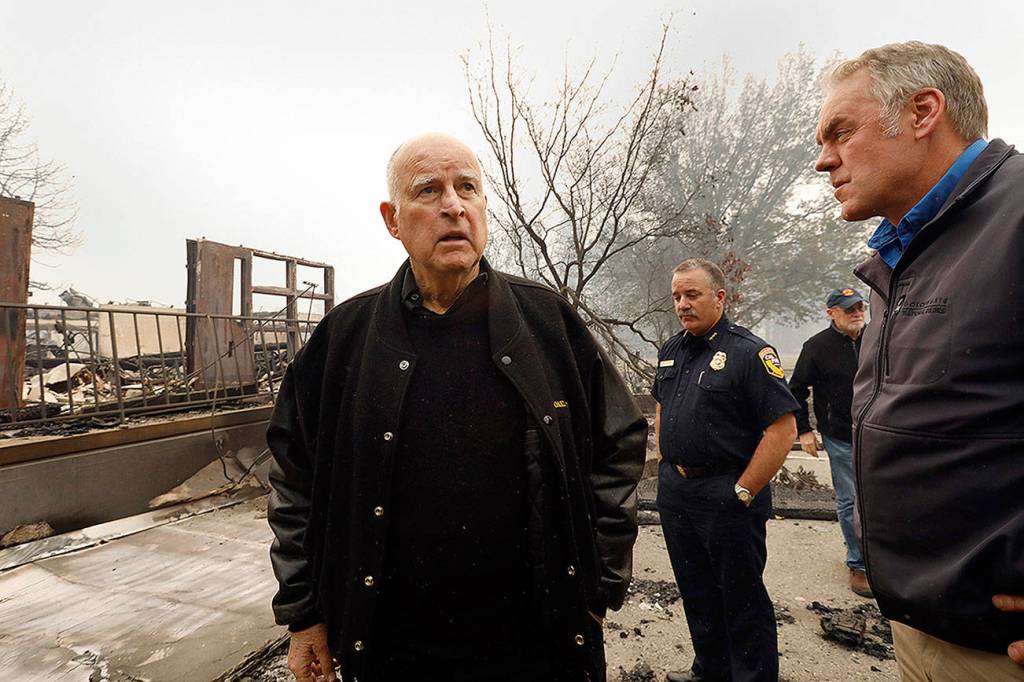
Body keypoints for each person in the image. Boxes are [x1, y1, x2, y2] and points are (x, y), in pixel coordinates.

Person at [265, 133, 648, 682]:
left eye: (467, 187)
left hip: (534, 647)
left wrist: (597, 589)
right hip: (391, 648)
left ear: (484, 205)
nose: (453, 205)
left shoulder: (547, 324)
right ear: (392, 220)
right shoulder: (345, 340)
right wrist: (304, 615)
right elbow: (293, 480)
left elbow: (619, 443)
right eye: (428, 190)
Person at [815, 41, 1024, 680]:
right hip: (917, 628)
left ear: (923, 112)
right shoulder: (898, 259)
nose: (824, 159)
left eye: (841, 132)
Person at [652, 258, 798, 682]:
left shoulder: (749, 352)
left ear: (720, 297)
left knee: (742, 600)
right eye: (677, 296)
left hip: (727, 494)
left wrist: (744, 490)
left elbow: (782, 429)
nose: (683, 304)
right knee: (696, 592)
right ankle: (710, 670)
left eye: (692, 294)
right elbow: (661, 406)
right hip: (678, 493)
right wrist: (664, 463)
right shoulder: (671, 350)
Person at [787, 287, 870, 598]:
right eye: (849, 309)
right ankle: (858, 564)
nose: (857, 313)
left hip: (876, 435)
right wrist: (804, 430)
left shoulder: (877, 339)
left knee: (879, 498)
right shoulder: (816, 347)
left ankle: (879, 557)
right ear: (832, 313)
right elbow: (796, 390)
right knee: (850, 499)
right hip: (839, 435)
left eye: (860, 307)